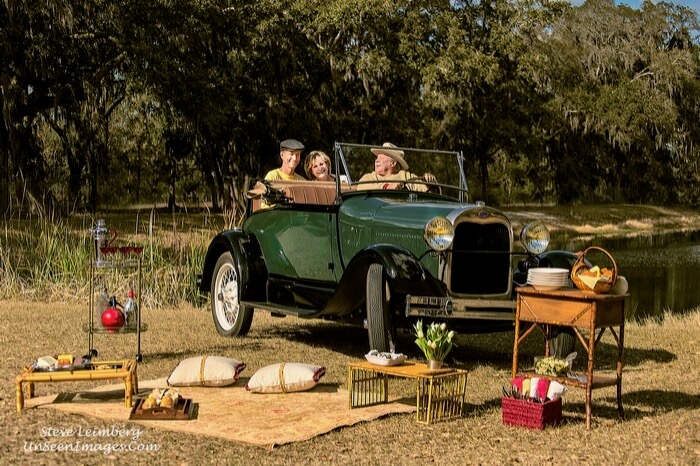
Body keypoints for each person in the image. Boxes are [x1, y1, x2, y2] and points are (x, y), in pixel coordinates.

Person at [356, 142, 436, 191]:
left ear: (393, 163)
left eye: (382, 157)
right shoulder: (370, 177)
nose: (377, 160)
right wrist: (386, 187)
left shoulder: (405, 176)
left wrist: (429, 182)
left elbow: (426, 190)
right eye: (377, 157)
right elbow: (361, 187)